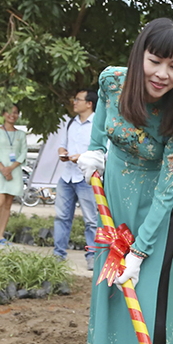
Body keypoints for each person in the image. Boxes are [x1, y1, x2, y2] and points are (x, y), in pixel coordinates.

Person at [77, 18, 173, 344]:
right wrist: (93, 153)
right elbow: (101, 128)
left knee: (148, 308)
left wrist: (140, 252)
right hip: (116, 207)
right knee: (111, 297)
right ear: (139, 55)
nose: (163, 74)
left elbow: (168, 192)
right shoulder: (112, 82)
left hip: (157, 220)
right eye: (155, 60)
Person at [54, 88, 102, 269]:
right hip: (67, 176)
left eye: (78, 99)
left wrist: (81, 157)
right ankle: (58, 255)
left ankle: (92, 256)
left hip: (87, 178)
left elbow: (103, 152)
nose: (74, 102)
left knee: (91, 220)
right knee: (61, 217)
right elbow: (62, 145)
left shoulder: (98, 124)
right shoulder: (71, 123)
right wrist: (62, 152)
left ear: (89, 103)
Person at [0, 104, 27, 244]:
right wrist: (3, 168)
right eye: (10, 112)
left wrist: (10, 168)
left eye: (15, 112)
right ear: (4, 114)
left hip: (14, 171)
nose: (12, 115)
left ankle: (1, 235)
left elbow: (23, 154)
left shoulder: (21, 134)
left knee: (8, 204)